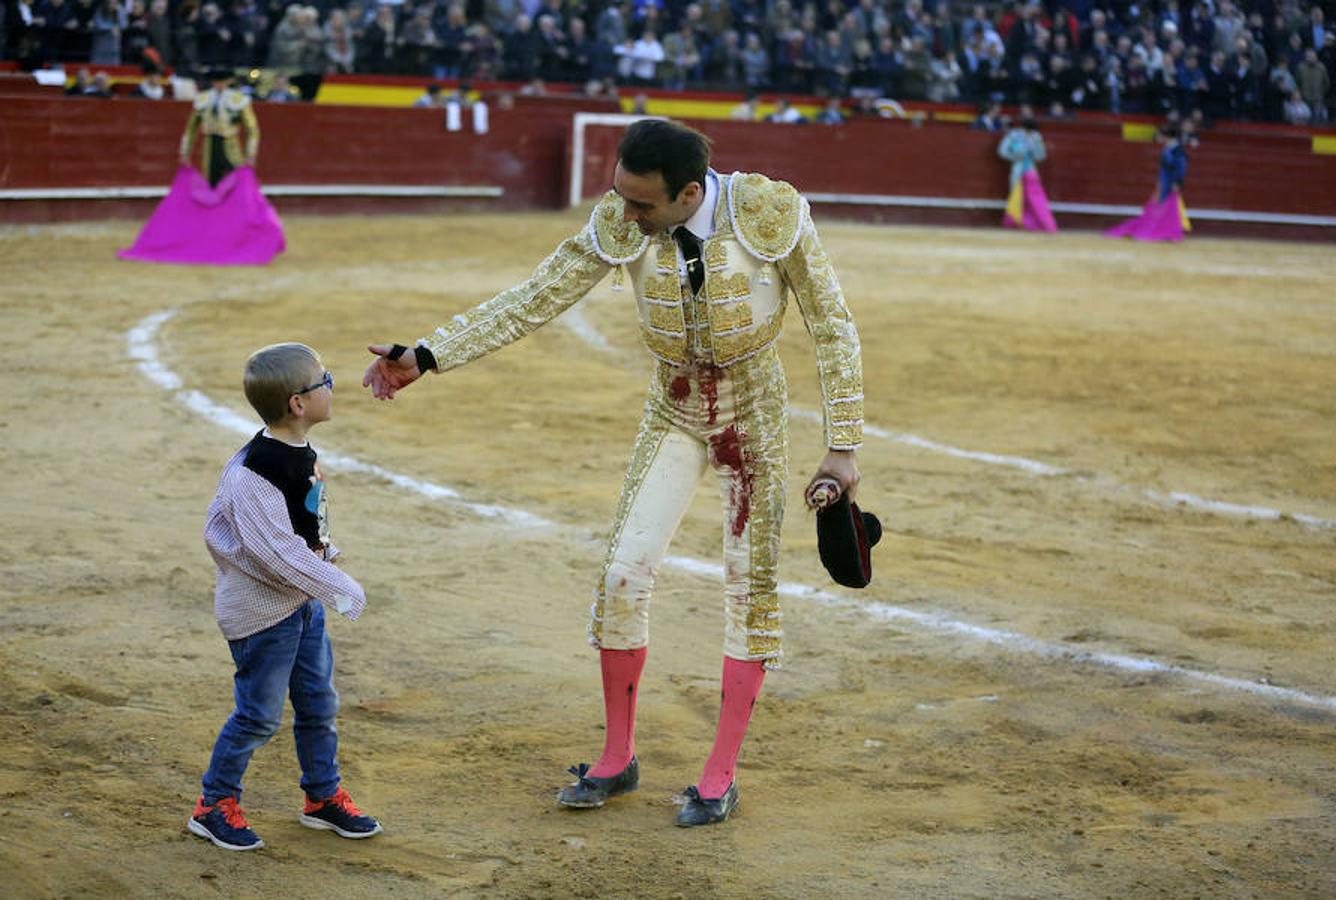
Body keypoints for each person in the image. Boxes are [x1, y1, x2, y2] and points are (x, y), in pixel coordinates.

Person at [362, 119, 863, 828]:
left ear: (691, 193)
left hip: (753, 418)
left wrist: (843, 444)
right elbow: (538, 294)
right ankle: (616, 756)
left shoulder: (769, 213)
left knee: (749, 588)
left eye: (642, 205)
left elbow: (832, 323)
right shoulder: (621, 217)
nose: (625, 217)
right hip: (673, 411)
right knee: (623, 575)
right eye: (621, 198)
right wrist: (429, 354)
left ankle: (720, 774)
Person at [189, 343, 381, 851]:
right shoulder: (255, 472)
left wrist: (326, 554)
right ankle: (214, 805)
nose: (333, 386)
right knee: (257, 715)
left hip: (300, 606)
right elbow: (275, 552)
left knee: (318, 704)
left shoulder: (298, 453)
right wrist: (340, 586)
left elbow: (301, 528)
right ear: (298, 404)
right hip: (260, 617)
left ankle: (321, 797)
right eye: (327, 380)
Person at [1105, 123, 1191, 242]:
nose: (1158, 138)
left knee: (1166, 208)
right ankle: (1165, 231)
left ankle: (1167, 232)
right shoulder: (1169, 149)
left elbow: (1181, 168)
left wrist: (1177, 182)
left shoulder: (1177, 150)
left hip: (1170, 183)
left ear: (1167, 136)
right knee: (1162, 207)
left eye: (1160, 135)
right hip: (1164, 182)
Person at [179, 68, 258, 187]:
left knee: (238, 180)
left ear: (229, 81)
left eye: (222, 80)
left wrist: (250, 154)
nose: (219, 84)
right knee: (211, 181)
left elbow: (252, 129)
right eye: (216, 81)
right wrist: (185, 153)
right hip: (210, 143)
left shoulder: (239, 99)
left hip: (230, 143)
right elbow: (191, 129)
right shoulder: (202, 98)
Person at [997, 117, 1057, 232]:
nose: (1030, 133)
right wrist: (1014, 157)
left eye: (1032, 131)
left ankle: (1030, 223)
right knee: (1016, 196)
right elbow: (1002, 151)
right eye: (1028, 130)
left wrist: (1037, 148)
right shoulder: (1013, 136)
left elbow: (1041, 156)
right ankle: (1016, 222)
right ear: (1023, 128)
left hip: (1031, 172)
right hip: (1018, 170)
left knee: (1033, 199)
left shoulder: (1036, 137)